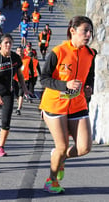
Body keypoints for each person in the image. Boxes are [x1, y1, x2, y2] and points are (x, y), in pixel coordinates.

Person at [39, 16, 95, 194]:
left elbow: (89, 76)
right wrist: (65, 85)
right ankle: (51, 180)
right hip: (55, 104)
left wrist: (89, 88)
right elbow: (44, 79)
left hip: (78, 104)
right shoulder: (58, 51)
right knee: (62, 146)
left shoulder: (90, 53)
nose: (88, 34)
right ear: (73, 31)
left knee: (84, 148)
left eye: (90, 31)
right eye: (85, 30)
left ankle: (60, 157)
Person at [0, 34, 29, 157]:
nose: (8, 45)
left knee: (6, 121)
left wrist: (25, 89)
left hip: (8, 93)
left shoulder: (15, 58)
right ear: (0, 45)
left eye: (10, 43)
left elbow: (20, 75)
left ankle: (1, 147)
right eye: (6, 43)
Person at [13, 46, 31, 116]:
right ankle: (19, 104)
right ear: (16, 52)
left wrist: (31, 80)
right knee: (17, 94)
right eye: (18, 51)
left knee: (21, 94)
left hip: (24, 79)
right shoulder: (14, 59)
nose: (20, 52)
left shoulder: (28, 59)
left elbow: (32, 70)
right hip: (15, 79)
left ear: (23, 52)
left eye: (21, 51)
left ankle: (18, 108)